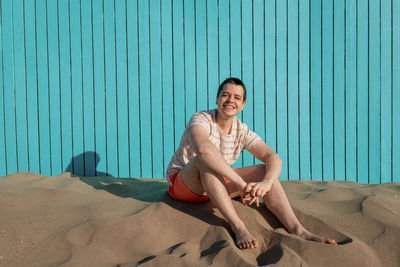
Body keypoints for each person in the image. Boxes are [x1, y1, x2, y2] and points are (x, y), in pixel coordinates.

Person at [166, 77, 336, 249]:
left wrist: (266, 183)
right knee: (203, 161)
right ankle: (239, 227)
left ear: (243, 104)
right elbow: (203, 150)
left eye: (237, 98)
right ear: (217, 99)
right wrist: (241, 184)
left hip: (215, 185)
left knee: (264, 170)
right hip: (184, 185)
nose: (230, 100)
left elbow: (273, 158)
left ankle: (298, 230)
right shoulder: (201, 119)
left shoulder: (242, 130)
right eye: (225, 95)